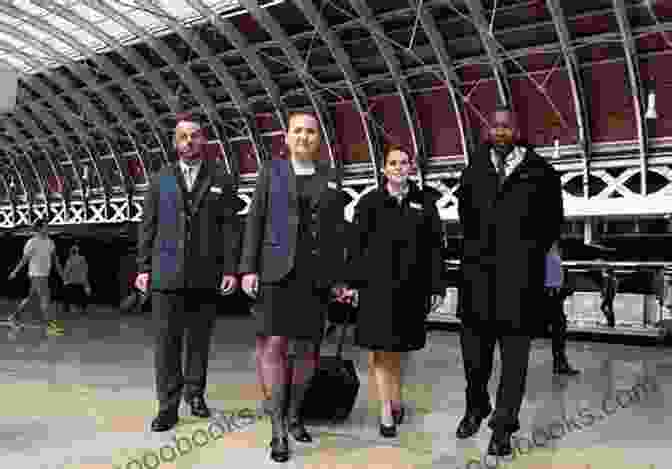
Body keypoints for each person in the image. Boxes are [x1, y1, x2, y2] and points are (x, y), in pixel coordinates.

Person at [239, 110, 350, 463]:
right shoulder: (271, 172)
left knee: (308, 353)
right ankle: (277, 428)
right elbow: (254, 220)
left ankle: (295, 412)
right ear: (286, 138)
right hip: (275, 272)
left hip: (314, 277)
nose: (304, 137)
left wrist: (339, 279)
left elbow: (336, 234)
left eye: (311, 132)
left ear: (319, 140)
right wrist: (247, 269)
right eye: (297, 131)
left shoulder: (330, 176)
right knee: (273, 345)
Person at [455, 105, 563, 457]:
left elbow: (552, 226)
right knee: (475, 360)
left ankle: (503, 426)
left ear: (517, 129)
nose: (500, 131)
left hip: (520, 285)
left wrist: (538, 264)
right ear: (489, 129)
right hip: (477, 281)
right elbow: (465, 218)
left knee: (515, 362)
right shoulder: (473, 170)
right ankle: (476, 406)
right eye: (495, 125)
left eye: (506, 126)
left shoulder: (541, 172)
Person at [136, 113, 242, 432]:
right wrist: (143, 267)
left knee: (198, 340)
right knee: (166, 343)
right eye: (183, 136)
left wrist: (230, 268)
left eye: (195, 135)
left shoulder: (222, 178)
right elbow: (147, 227)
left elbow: (230, 228)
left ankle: (195, 394)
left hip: (205, 274)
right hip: (165, 273)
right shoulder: (159, 179)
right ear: (174, 142)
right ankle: (167, 407)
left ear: (203, 140)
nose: (189, 141)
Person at [344, 143, 444, 438]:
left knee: (399, 351)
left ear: (411, 167)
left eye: (404, 163)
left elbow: (436, 248)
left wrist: (436, 285)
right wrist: (353, 283)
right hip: (376, 289)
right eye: (394, 163)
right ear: (384, 169)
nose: (400, 168)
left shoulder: (425, 202)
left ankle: (395, 398)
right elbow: (356, 247)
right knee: (381, 349)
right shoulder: (369, 203)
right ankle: (386, 409)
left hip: (411, 290)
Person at [8, 218, 65, 335]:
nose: (47, 228)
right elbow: (25, 259)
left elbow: (56, 260)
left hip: (45, 274)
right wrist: (15, 271)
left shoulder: (50, 242)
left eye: (47, 226)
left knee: (31, 300)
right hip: (36, 274)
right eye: (45, 226)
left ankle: (14, 317)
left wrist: (62, 274)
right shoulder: (32, 242)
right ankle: (49, 326)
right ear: (39, 228)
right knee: (46, 298)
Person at [545, 241, 579, 375]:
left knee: (559, 328)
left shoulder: (554, 251)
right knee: (558, 328)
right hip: (550, 295)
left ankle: (560, 363)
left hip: (554, 295)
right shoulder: (549, 252)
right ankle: (560, 363)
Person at [62, 244, 91, 315]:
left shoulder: (70, 259)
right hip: (81, 280)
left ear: (71, 251)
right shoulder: (83, 259)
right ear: (77, 251)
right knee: (82, 296)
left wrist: (65, 279)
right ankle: (83, 309)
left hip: (71, 280)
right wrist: (85, 280)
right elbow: (86, 269)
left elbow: (67, 270)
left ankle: (66, 308)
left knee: (68, 295)